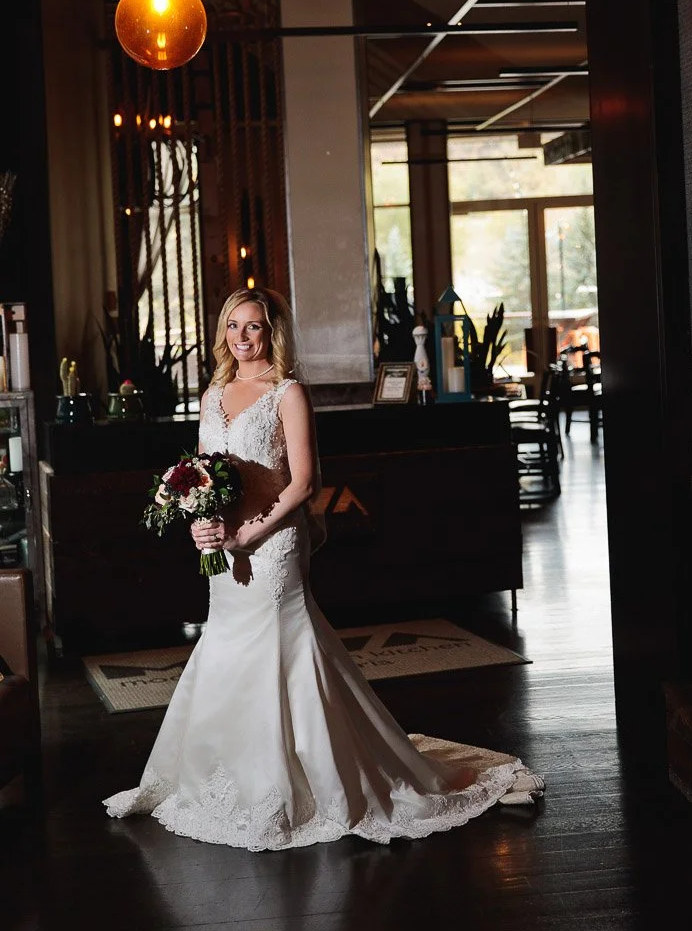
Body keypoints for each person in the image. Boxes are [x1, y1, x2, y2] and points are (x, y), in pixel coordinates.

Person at [104, 286, 544, 851]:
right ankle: (227, 774)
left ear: (272, 332)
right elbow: (202, 474)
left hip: (274, 543)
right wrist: (202, 525)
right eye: (233, 326)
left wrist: (251, 533)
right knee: (227, 643)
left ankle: (302, 780)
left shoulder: (288, 393)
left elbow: (305, 483)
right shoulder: (213, 393)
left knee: (279, 646)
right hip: (226, 544)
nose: (243, 338)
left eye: (254, 327)